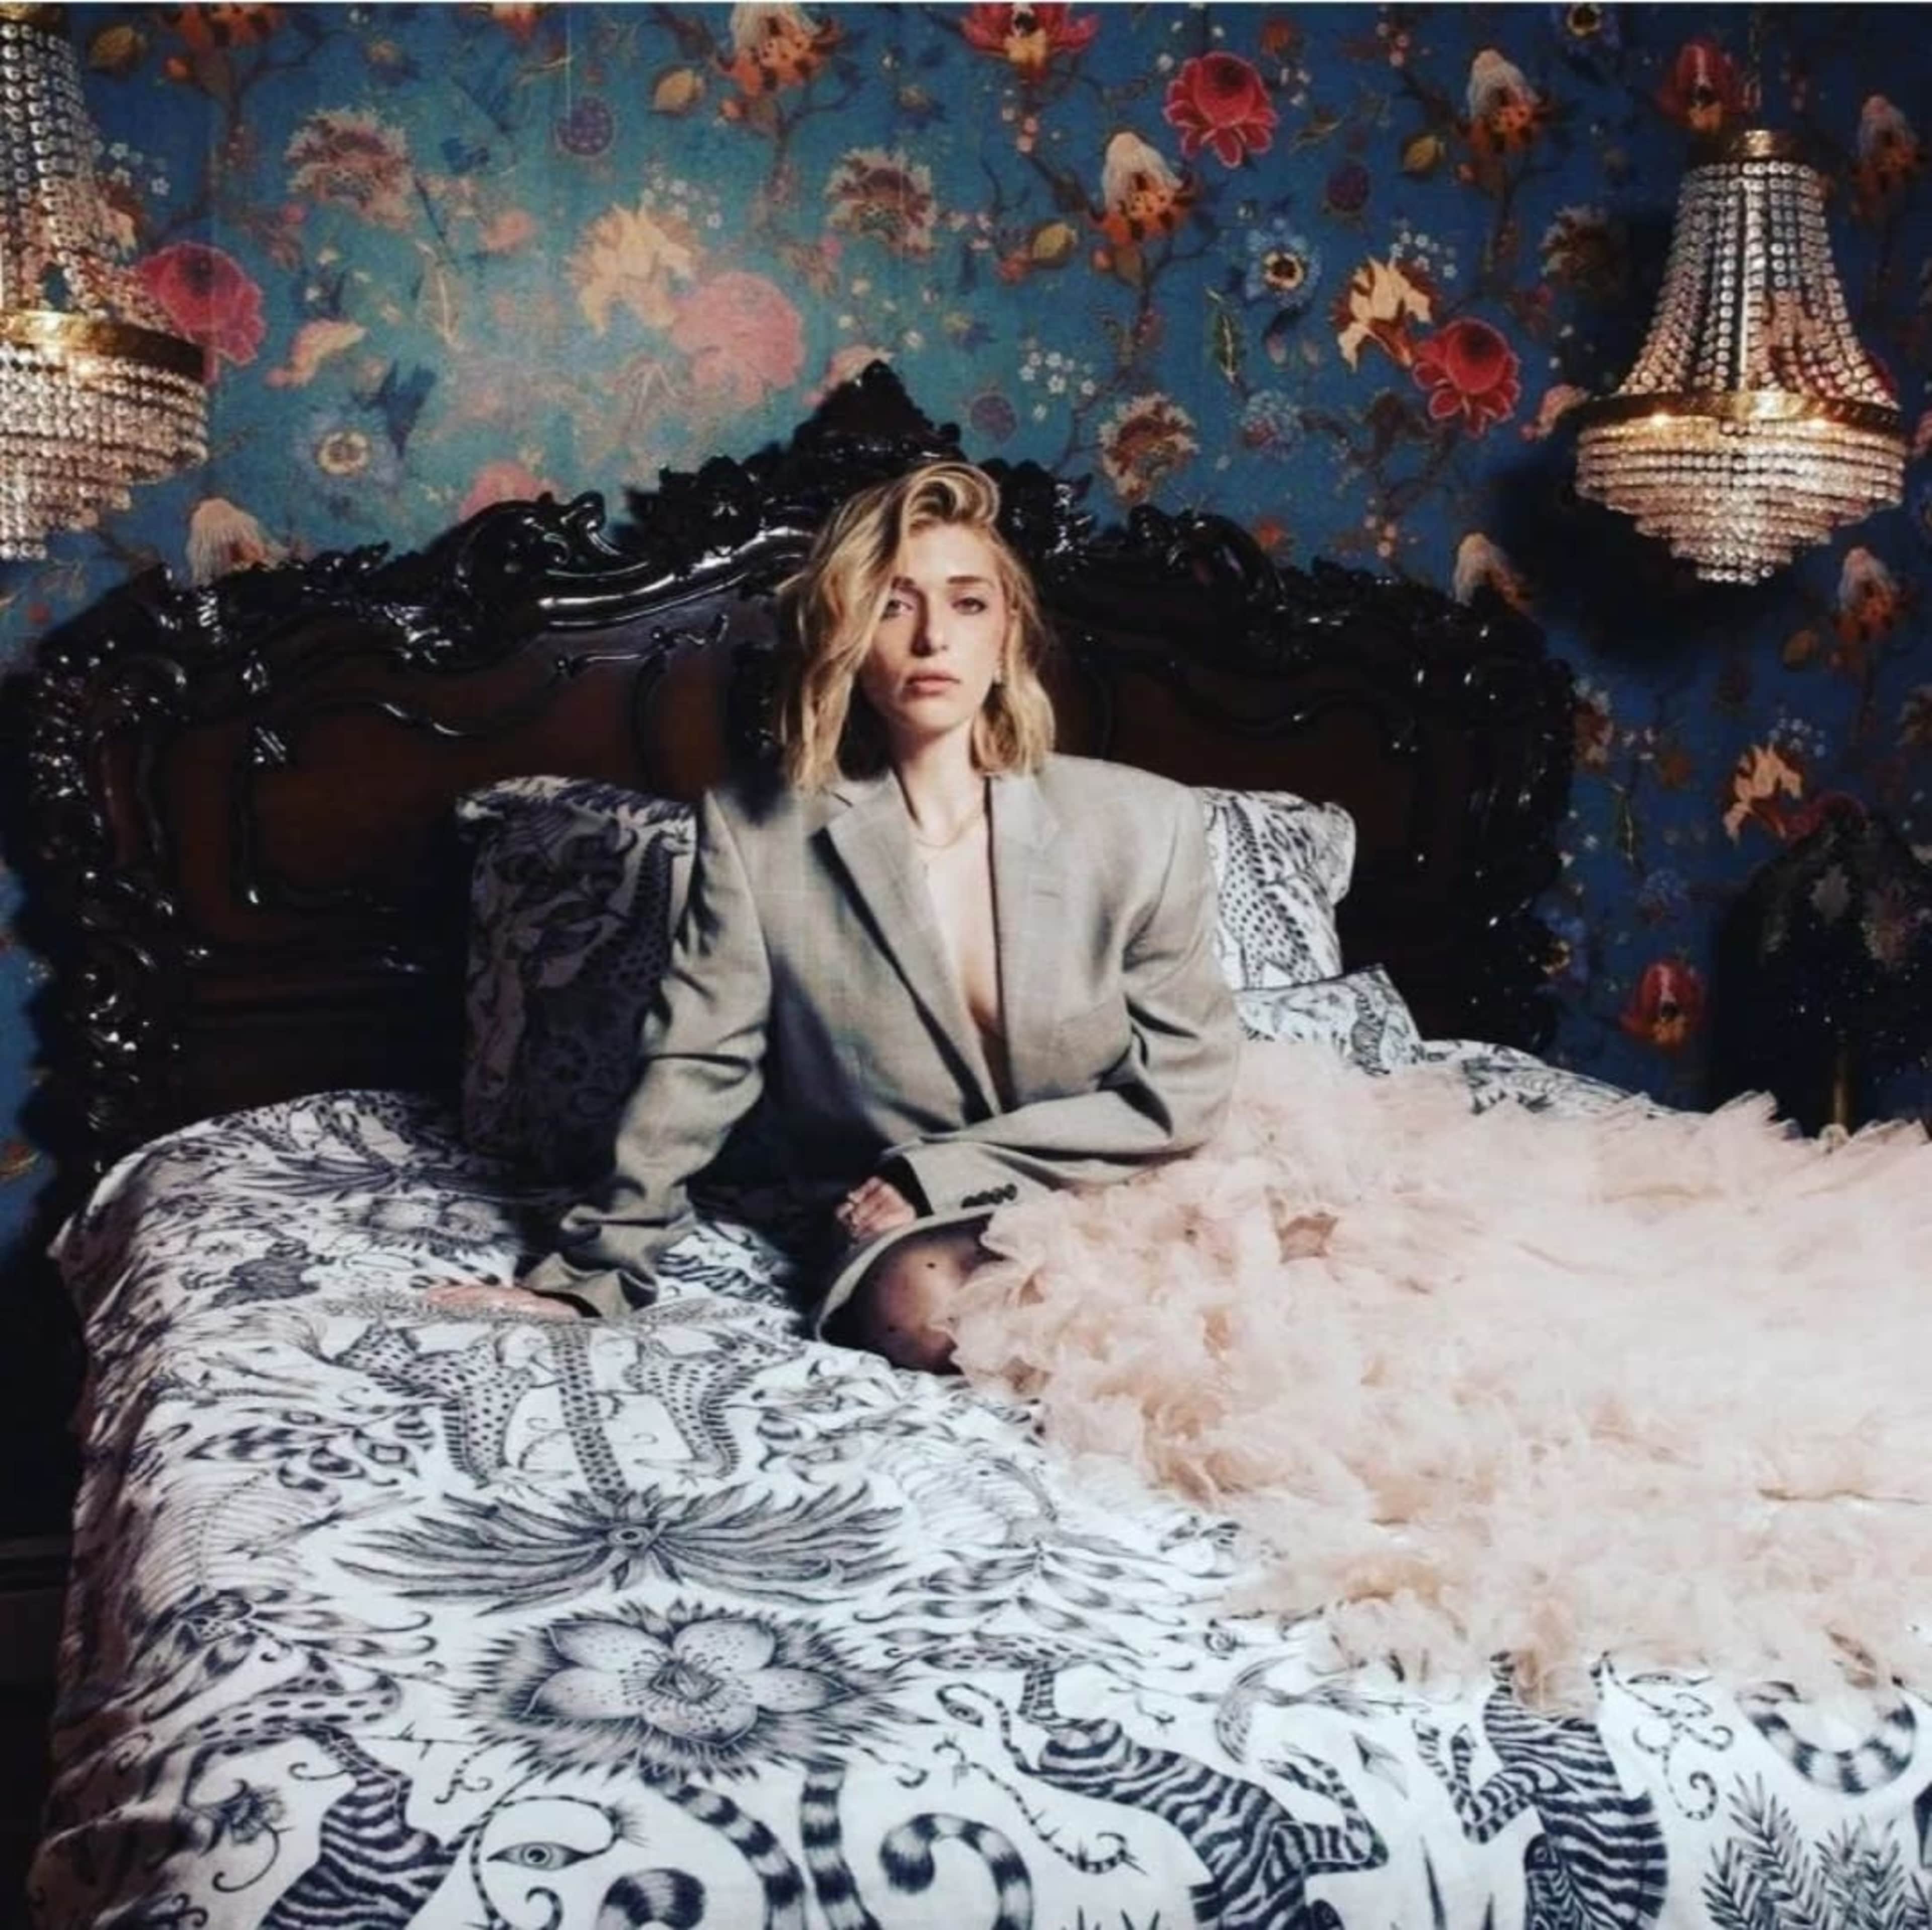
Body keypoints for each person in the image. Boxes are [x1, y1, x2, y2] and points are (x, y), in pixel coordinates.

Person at [517, 460, 1241, 1370]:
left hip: (1126, 1172)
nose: (934, 636)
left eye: (969, 603)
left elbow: (1181, 1095)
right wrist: (591, 1273)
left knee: (1253, 1296)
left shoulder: (1145, 822)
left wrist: (934, 1168)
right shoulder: (755, 834)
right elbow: (699, 1061)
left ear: (1008, 631)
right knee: (922, 1308)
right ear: (848, 635)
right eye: (896, 605)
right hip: (929, 1228)